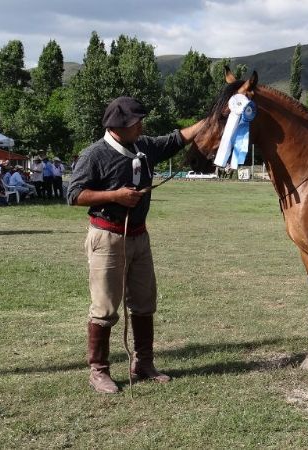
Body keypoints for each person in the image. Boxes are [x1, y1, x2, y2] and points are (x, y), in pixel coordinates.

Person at [67, 96, 204, 394]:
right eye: (136, 122)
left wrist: (217, 117)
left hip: (140, 237)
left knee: (144, 304)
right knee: (104, 307)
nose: (142, 125)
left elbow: (177, 138)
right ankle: (99, 371)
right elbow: (74, 195)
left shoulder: (145, 147)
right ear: (119, 126)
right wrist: (113, 196)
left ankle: (143, 364)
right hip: (107, 238)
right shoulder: (94, 154)